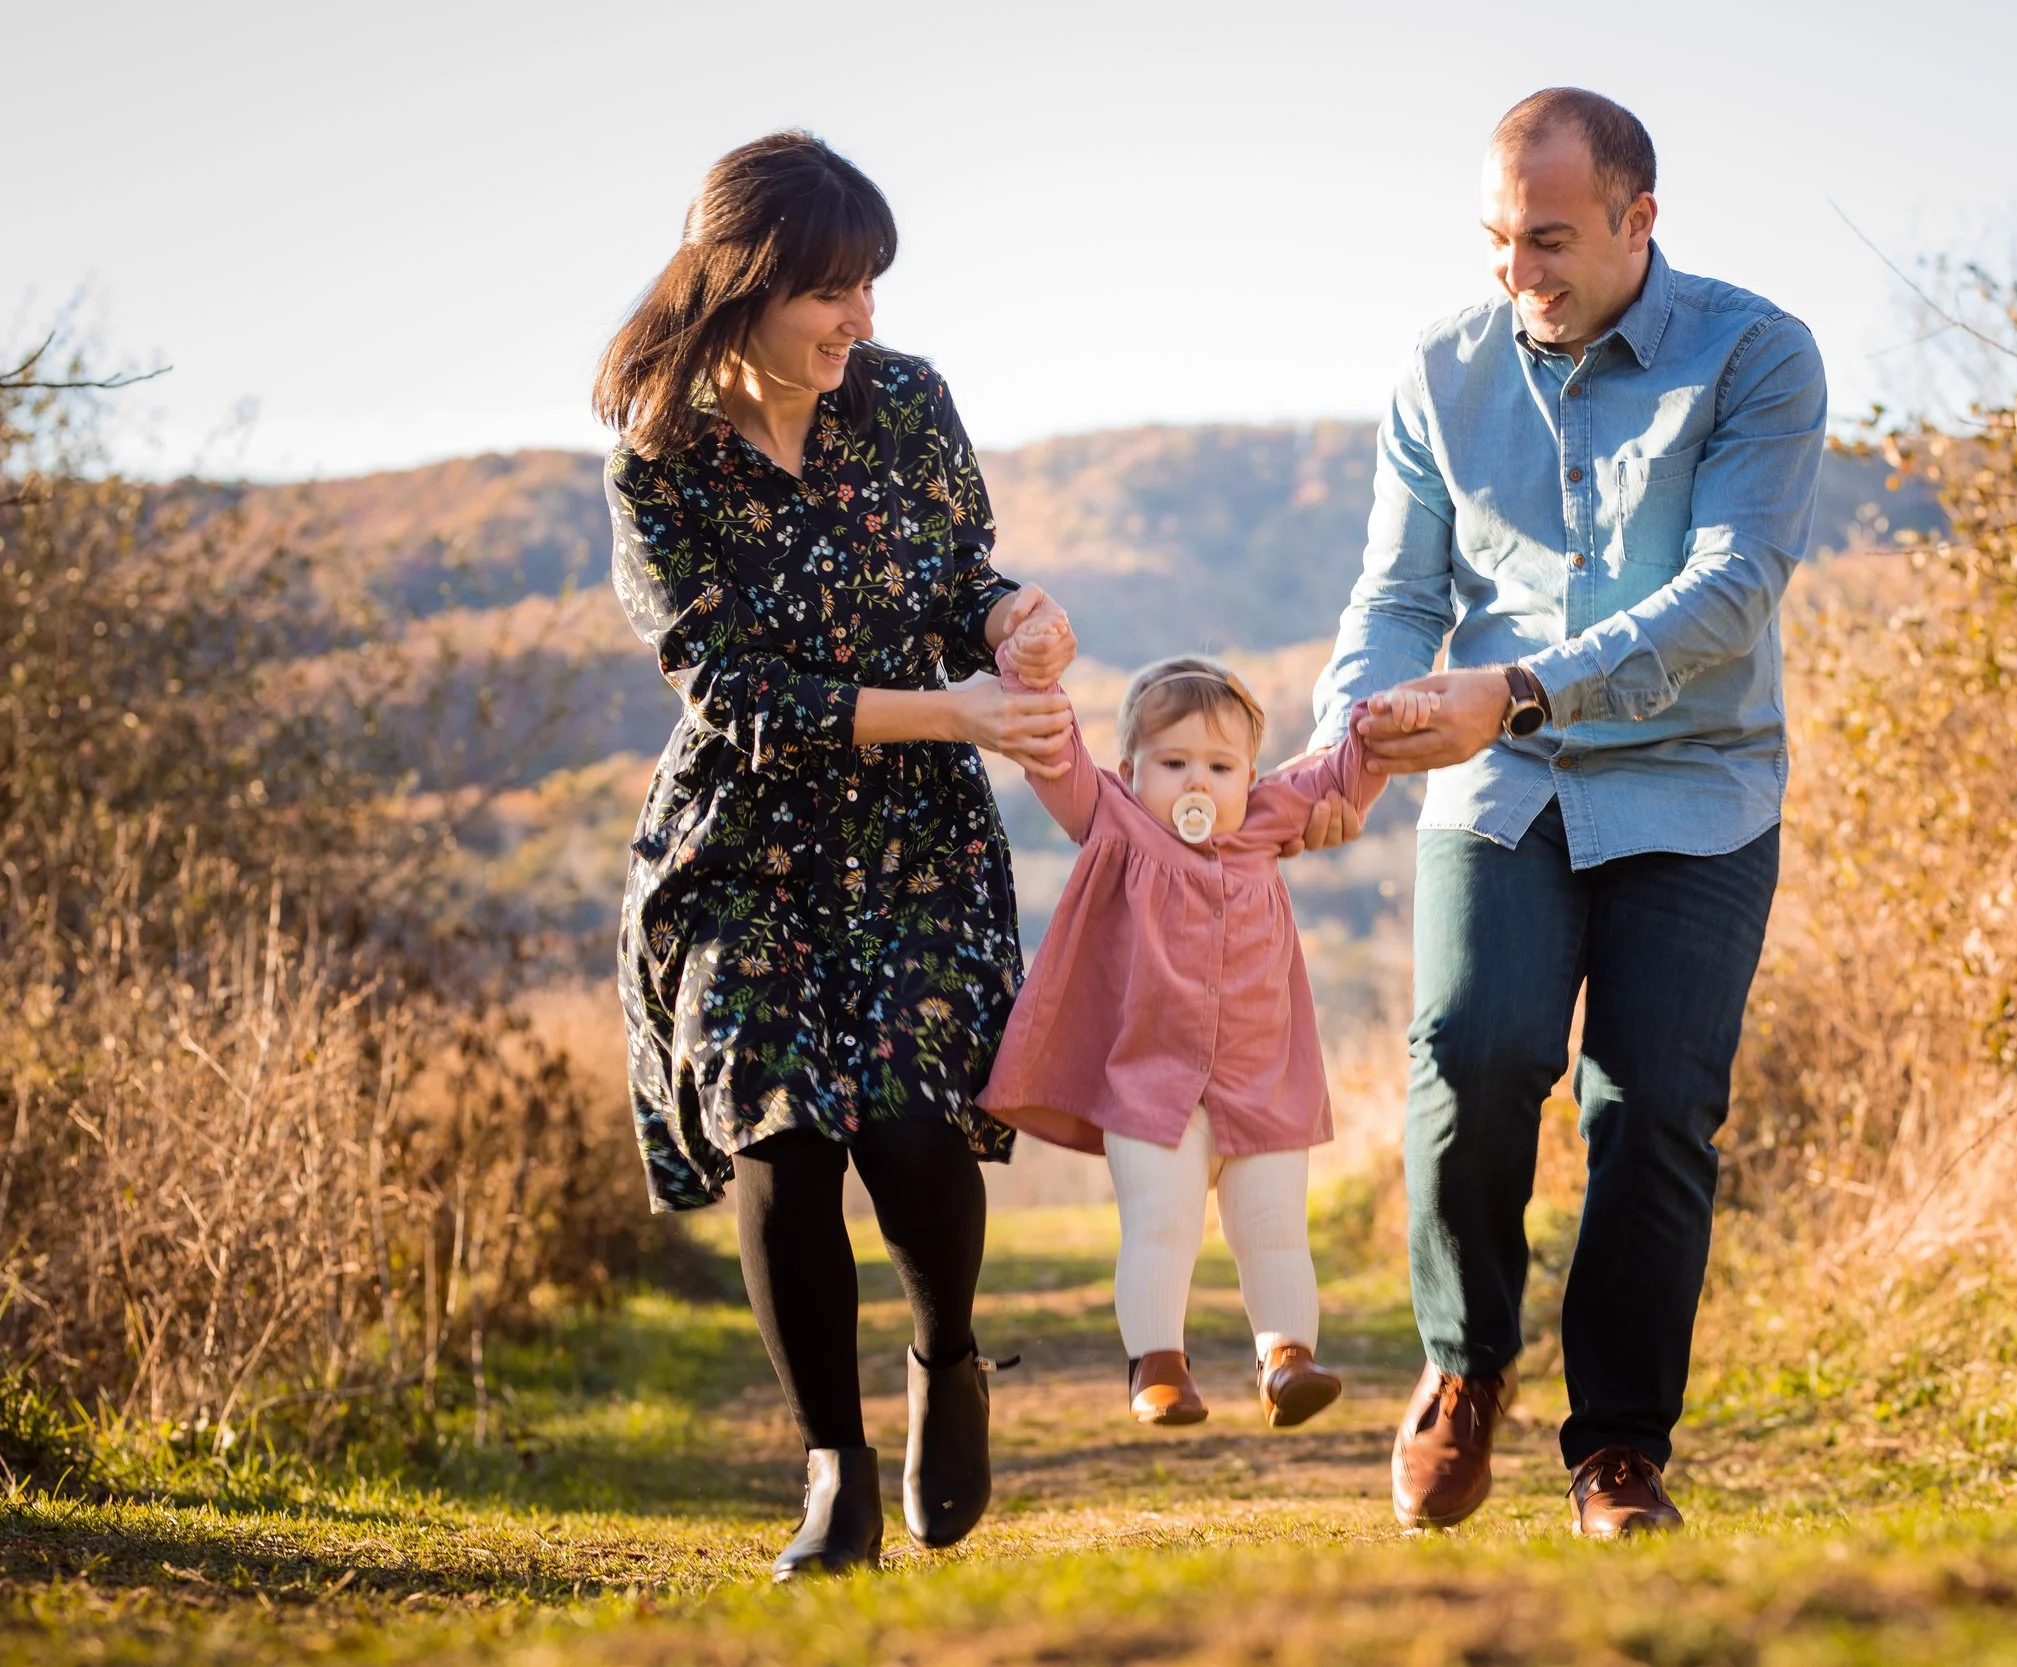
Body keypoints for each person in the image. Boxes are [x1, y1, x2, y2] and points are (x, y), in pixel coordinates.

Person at [1301, 87, 1827, 1538]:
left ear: (1638, 221)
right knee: (1477, 1049)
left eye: (1548, 239)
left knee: (1651, 1102)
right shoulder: (1439, 373)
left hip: (1696, 782)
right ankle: (1464, 1366)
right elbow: (1401, 596)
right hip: (1499, 780)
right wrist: (1343, 745)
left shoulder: (1759, 354)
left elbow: (1730, 590)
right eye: (1495, 240)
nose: (1517, 272)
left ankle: (1618, 1448)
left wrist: (1519, 685)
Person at [592, 131, 1080, 1578]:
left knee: (919, 1132)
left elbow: (956, 578)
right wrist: (954, 706)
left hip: (912, 835)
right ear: (745, 284)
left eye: (871, 285)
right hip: (743, 839)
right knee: (780, 1130)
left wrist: (1008, 623)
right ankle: (834, 1474)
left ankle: (949, 1365)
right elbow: (729, 690)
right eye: (835, 289)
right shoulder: (658, 462)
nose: (863, 317)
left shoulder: (908, 403)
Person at [977, 631, 1436, 1427]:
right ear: (1132, 771)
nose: (1199, 780)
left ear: (1249, 778)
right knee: (1162, 1224)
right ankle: (1157, 1363)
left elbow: (1340, 772)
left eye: (1221, 767)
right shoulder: (1113, 818)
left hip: (1261, 1082)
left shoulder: (1264, 823)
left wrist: (1381, 720)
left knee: (1276, 1229)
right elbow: (1052, 750)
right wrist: (1030, 670)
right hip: (1151, 1087)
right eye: (1174, 762)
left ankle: (1286, 1356)